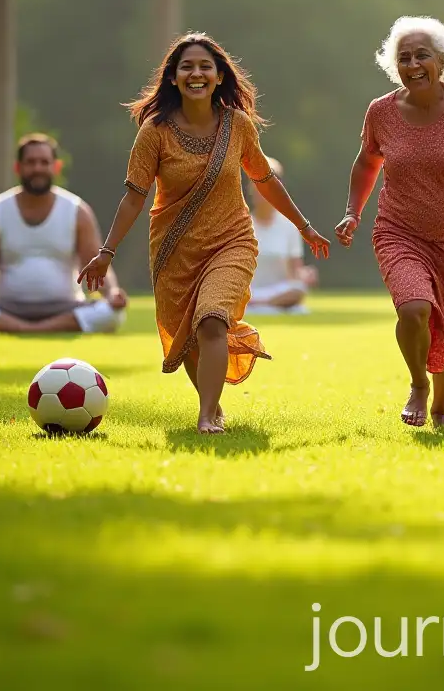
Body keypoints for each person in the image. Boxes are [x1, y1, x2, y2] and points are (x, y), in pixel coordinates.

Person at [77, 33, 331, 435]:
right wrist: (106, 251)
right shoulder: (154, 132)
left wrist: (305, 227)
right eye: (187, 67)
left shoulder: (239, 126)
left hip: (232, 242)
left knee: (212, 320)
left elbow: (264, 180)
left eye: (204, 67)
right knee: (191, 338)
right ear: (174, 79)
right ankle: (211, 404)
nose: (196, 73)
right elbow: (133, 198)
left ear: (217, 77)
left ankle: (207, 415)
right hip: (173, 251)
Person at [335, 16, 444, 428]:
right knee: (414, 308)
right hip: (400, 231)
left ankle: (441, 409)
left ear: (442, 60)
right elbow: (367, 163)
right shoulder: (381, 111)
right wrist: (352, 212)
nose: (413, 64)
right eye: (404, 58)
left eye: (422, 56)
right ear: (393, 66)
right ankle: (419, 384)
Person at [0, 134, 128, 334]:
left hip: (65, 307)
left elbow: (96, 266)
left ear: (56, 167)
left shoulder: (78, 211)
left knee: (113, 314)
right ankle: (31, 328)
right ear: (18, 167)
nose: (37, 168)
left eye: (44, 162)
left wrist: (112, 293)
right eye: (31, 162)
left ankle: (33, 328)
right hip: (8, 307)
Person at [245, 158, 318, 314]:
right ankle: (259, 304)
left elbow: (294, 273)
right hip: (249, 292)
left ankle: (263, 305)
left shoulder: (289, 227)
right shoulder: (242, 226)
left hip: (278, 292)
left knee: (297, 290)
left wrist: (305, 275)